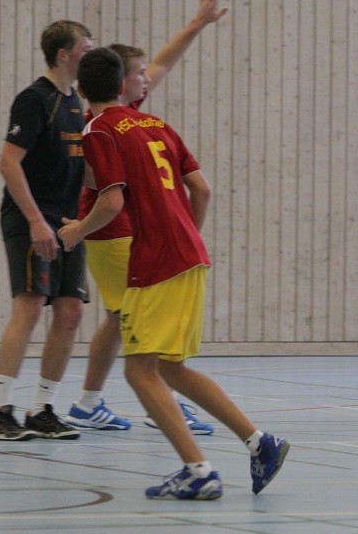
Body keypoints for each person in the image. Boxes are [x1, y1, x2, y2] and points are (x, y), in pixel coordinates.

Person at [59, 48, 288, 499]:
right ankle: (261, 443)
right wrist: (186, 234)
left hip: (157, 261)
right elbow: (201, 188)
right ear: (123, 85)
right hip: (191, 255)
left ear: (82, 91)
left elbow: (110, 202)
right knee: (171, 368)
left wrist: (75, 232)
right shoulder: (157, 125)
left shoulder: (98, 130)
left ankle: (198, 471)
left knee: (140, 372)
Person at [63, 0, 228, 434]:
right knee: (132, 315)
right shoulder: (100, 123)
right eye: (137, 73)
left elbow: (164, 62)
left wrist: (196, 24)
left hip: (126, 226)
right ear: (119, 81)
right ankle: (158, 400)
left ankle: (92, 402)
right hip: (109, 226)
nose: (147, 78)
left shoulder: (128, 115)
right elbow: (102, 188)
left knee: (124, 316)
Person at [0, 21, 95, 441]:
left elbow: (80, 168)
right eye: (86, 48)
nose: (90, 54)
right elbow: (9, 162)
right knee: (30, 306)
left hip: (67, 222)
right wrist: (34, 221)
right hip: (31, 219)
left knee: (71, 310)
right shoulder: (34, 99)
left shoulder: (74, 104)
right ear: (64, 54)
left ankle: (43, 408)